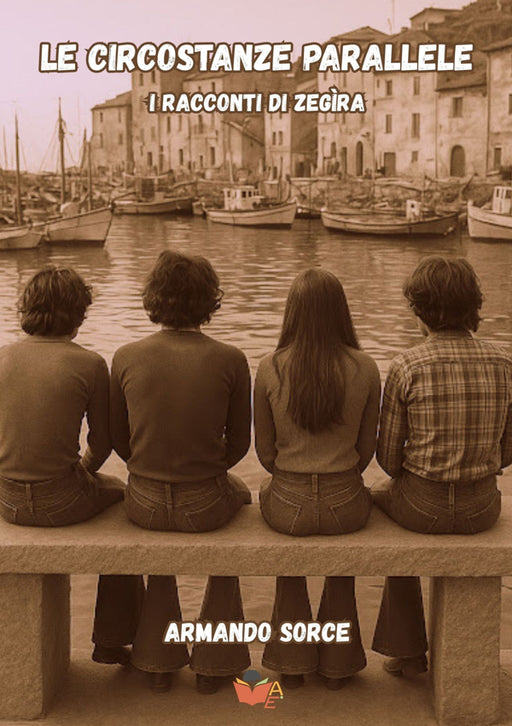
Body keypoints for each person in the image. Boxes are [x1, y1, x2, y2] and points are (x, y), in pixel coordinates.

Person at [110, 250, 252, 694]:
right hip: (205, 504)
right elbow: (239, 446)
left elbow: (120, 441)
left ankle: (157, 661)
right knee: (241, 497)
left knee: (159, 543)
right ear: (209, 300)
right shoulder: (231, 359)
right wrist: (204, 468)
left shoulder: (126, 356)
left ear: (155, 297)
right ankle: (215, 663)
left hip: (144, 503)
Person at [372, 256, 512, 677]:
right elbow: (508, 451)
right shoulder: (504, 364)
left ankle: (407, 650)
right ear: (473, 306)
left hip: (421, 507)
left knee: (381, 507)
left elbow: (388, 459)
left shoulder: (407, 365)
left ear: (420, 310)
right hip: (481, 508)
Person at [0, 266, 142, 666]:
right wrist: (82, 469)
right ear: (79, 313)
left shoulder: (2, 357)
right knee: (127, 502)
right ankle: (113, 639)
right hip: (60, 500)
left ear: (26, 308)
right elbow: (102, 443)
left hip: (7, 500)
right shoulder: (90, 364)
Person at [254, 267, 381, 690]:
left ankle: (291, 663)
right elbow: (366, 452)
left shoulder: (270, 367)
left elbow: (266, 455)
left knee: (288, 555)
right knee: (340, 565)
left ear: (292, 312)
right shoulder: (366, 367)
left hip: (287, 504)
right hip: (346, 503)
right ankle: (338, 665)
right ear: (341, 312)